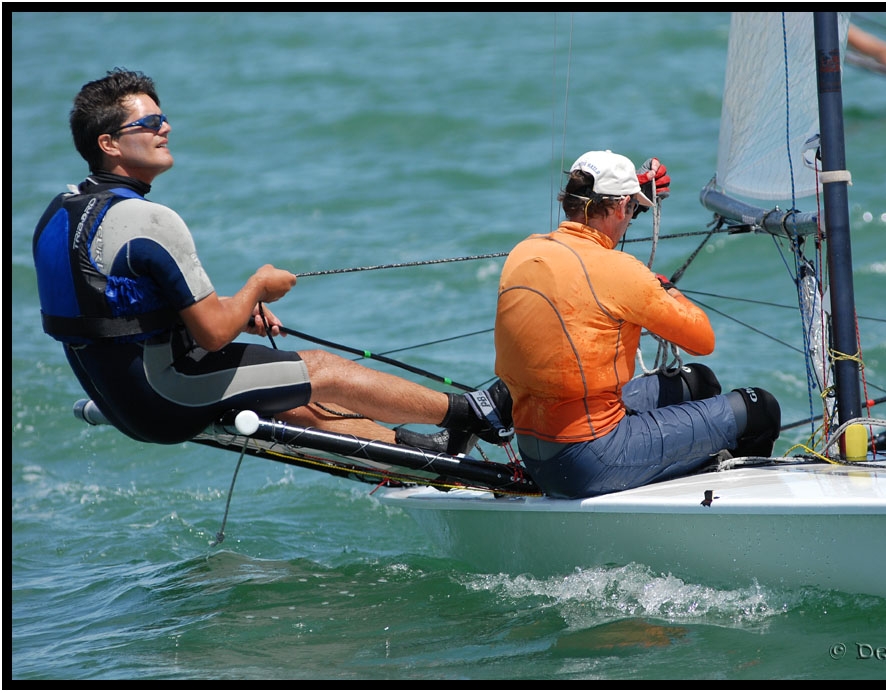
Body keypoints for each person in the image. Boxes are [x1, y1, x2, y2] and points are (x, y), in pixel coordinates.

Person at [32, 68, 510, 453]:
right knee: (321, 370)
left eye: (163, 119)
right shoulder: (148, 220)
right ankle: (471, 412)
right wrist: (257, 287)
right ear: (109, 144)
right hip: (166, 395)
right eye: (150, 123)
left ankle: (419, 452)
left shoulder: (60, 212)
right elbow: (214, 332)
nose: (166, 128)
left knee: (294, 400)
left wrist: (234, 308)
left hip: (120, 400)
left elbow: (115, 305)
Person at [492, 150, 781, 500]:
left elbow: (588, 269)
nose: (630, 219)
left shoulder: (525, 251)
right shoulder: (622, 272)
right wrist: (665, 288)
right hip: (591, 460)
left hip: (537, 454)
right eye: (630, 210)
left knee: (699, 381)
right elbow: (703, 339)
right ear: (619, 207)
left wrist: (631, 201)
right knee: (759, 408)